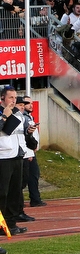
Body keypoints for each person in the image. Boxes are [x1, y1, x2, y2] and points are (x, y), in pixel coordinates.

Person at [0, 87, 29, 237]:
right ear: (2, 99)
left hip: (17, 155)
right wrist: (5, 117)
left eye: (15, 97)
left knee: (14, 193)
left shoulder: (18, 113)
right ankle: (1, 224)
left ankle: (11, 224)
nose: (13, 101)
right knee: (2, 194)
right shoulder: (2, 113)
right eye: (10, 97)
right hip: (3, 157)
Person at [20, 95, 44, 207]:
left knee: (33, 176)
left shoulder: (29, 117)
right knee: (25, 178)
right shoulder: (24, 118)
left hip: (30, 151)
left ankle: (35, 198)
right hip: (26, 152)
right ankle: (30, 200)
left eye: (31, 103)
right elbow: (24, 136)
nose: (30, 105)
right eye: (27, 103)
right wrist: (28, 152)